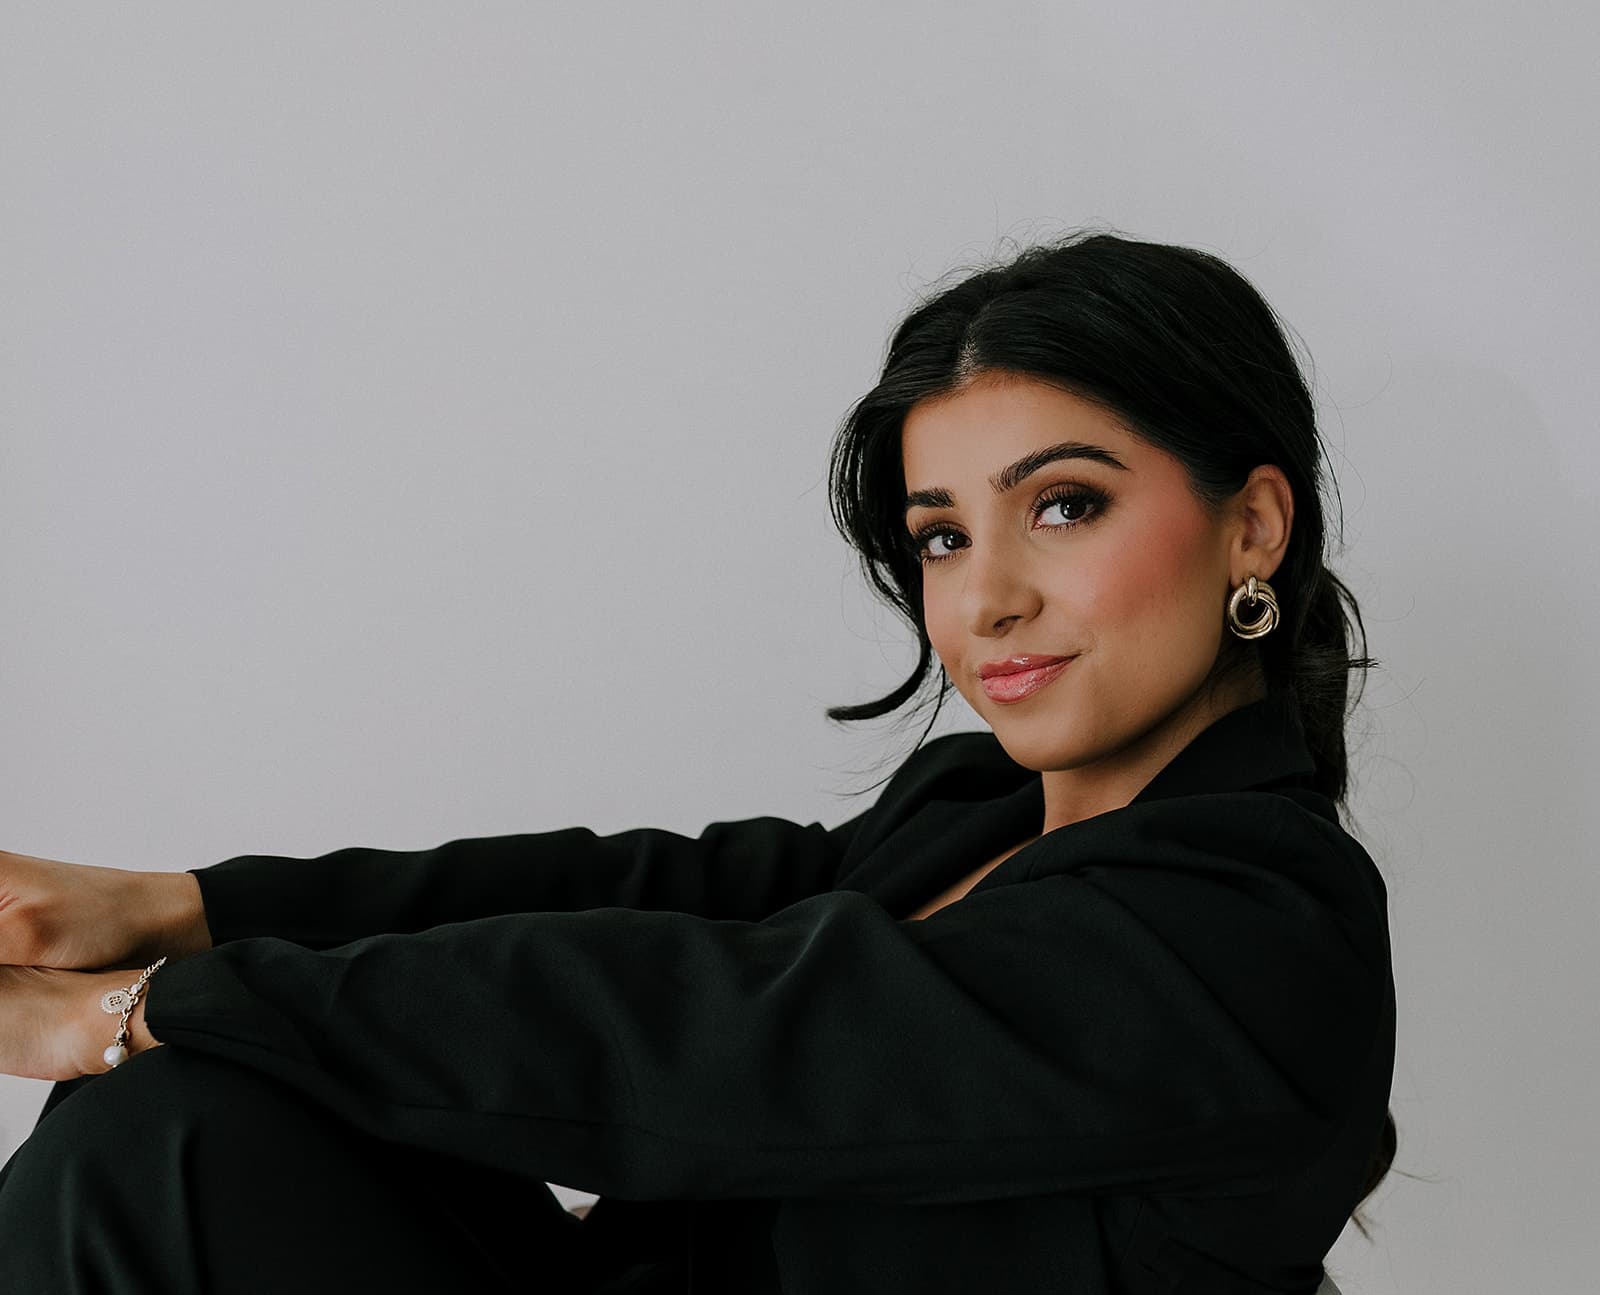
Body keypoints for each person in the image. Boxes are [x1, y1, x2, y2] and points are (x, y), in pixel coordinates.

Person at [0, 229, 1396, 1294]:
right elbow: (641, 901)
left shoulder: (1256, 932)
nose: (985, 600)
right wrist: (169, 909)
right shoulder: (971, 815)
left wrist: (150, 1003)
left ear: (1252, 528)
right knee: (183, 1122)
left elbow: (695, 1025)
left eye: (1066, 506)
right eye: (943, 536)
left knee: (164, 1118)